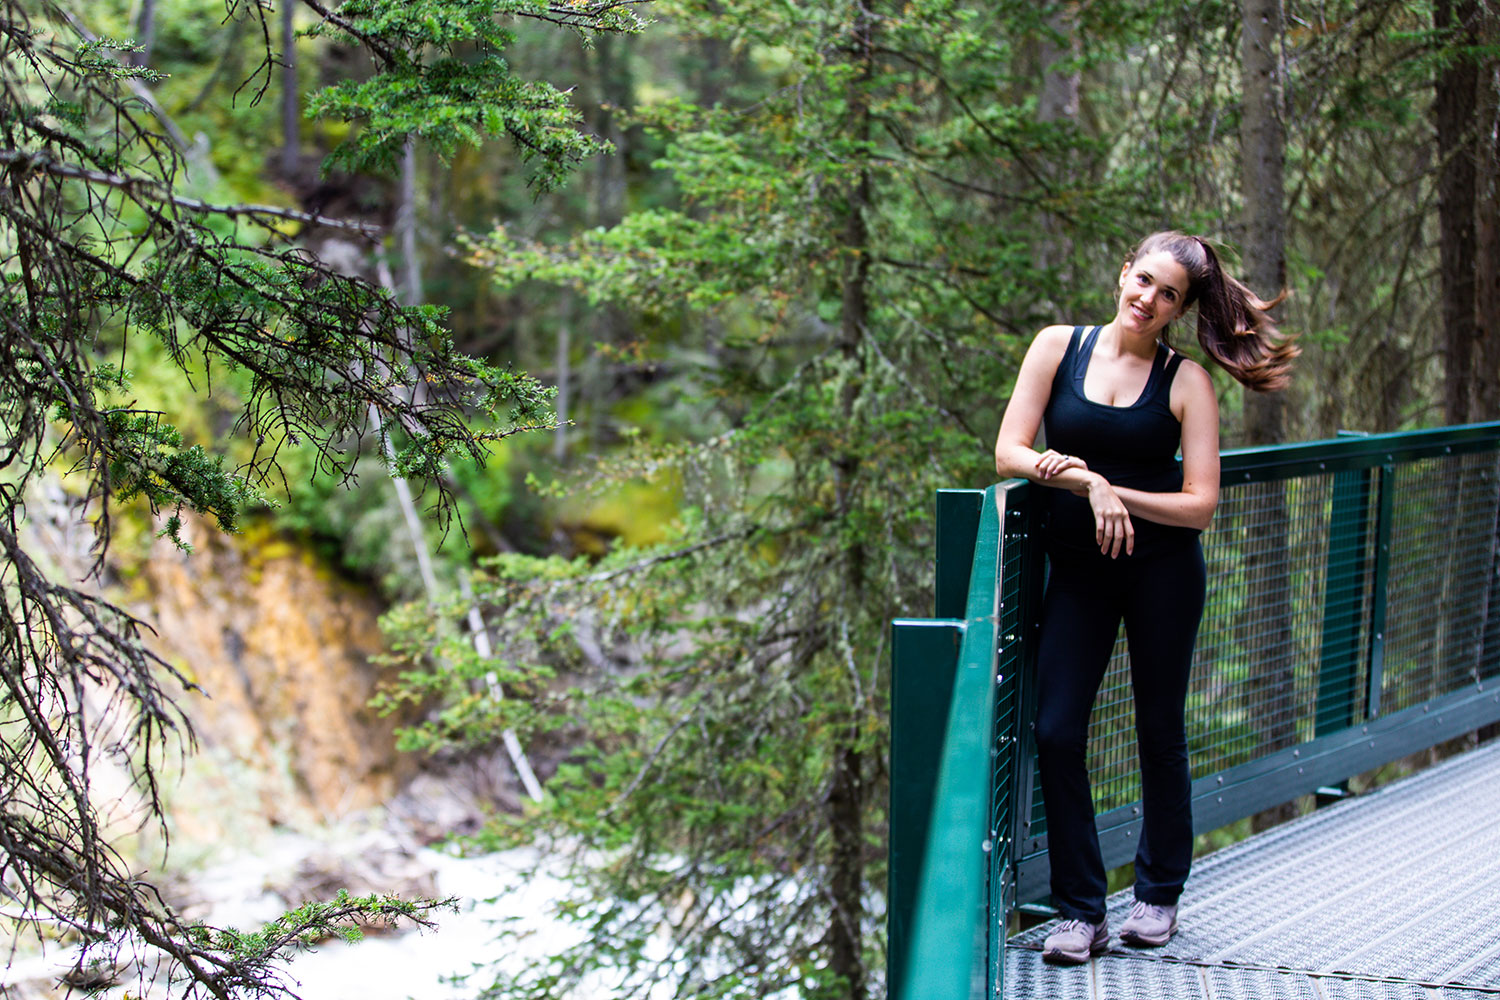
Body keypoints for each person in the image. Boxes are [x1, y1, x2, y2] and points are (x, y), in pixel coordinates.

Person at [992, 232, 1297, 965]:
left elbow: (1199, 506)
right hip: (1080, 573)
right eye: (1144, 281)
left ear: (1178, 310)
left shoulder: (1186, 382)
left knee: (1158, 731)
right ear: (1122, 271)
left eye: (1169, 296)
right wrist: (1084, 482)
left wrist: (1114, 490)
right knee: (1057, 730)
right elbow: (1008, 451)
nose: (1148, 301)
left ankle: (1158, 895)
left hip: (1161, 572)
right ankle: (1081, 911)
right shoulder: (1056, 346)